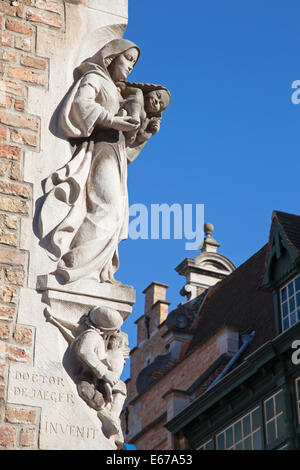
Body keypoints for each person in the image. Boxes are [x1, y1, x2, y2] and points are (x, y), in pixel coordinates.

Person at [38, 39, 146, 284]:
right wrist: (113, 120)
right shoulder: (95, 78)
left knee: (117, 215)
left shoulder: (117, 91)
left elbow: (129, 144)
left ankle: (100, 271)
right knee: (105, 207)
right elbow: (81, 104)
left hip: (116, 154)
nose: (130, 67)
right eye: (128, 59)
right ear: (111, 57)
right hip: (100, 151)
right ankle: (75, 268)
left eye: (133, 63)